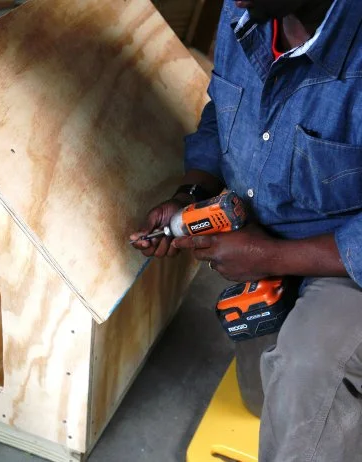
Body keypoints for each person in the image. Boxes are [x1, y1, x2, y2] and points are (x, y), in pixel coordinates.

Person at [130, 0, 362, 460]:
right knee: (262, 397)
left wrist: (270, 258)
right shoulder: (248, 11)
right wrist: (190, 196)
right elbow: (225, 110)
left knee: (308, 377)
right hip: (271, 236)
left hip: (348, 261)